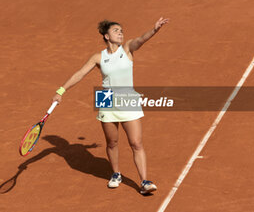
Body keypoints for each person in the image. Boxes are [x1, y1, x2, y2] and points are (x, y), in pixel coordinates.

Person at [52, 17, 169, 194]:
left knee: (136, 143)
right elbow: (80, 73)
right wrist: (61, 91)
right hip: (106, 99)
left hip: (128, 98)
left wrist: (154, 30)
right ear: (106, 36)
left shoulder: (128, 48)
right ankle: (116, 174)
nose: (120, 33)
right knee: (112, 142)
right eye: (116, 31)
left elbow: (141, 39)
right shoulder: (98, 57)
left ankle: (144, 181)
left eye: (121, 30)